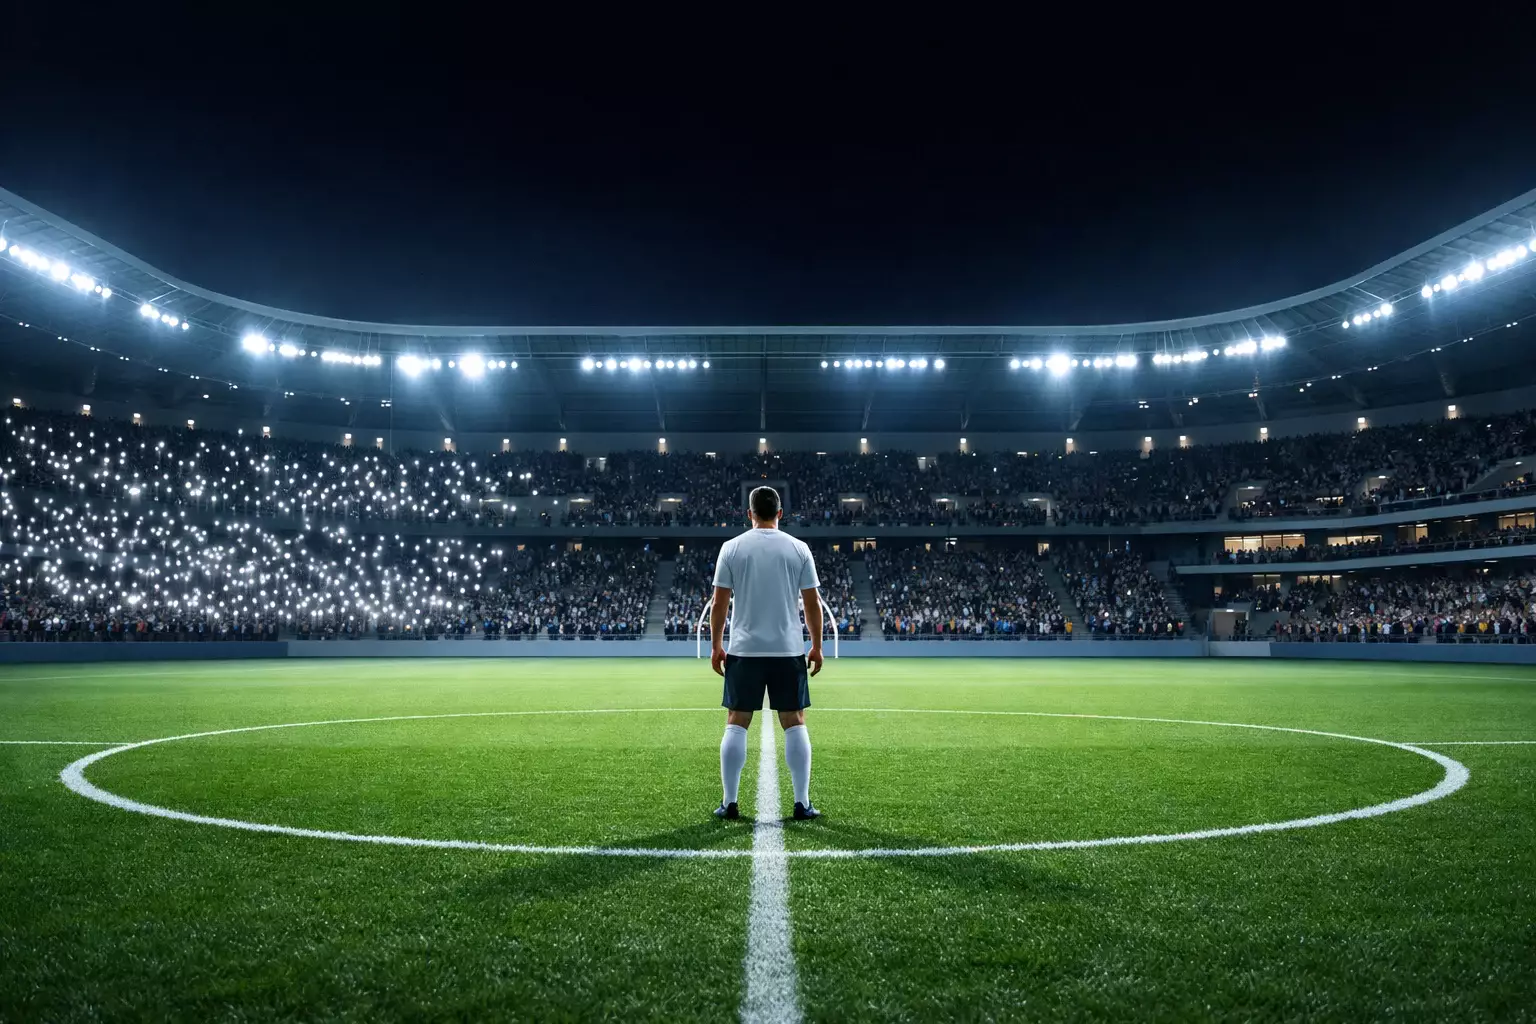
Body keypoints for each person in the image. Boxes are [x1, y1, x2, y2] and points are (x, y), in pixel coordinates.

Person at [710, 485, 824, 821]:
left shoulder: (731, 548)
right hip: (787, 650)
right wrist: (817, 646)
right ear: (780, 513)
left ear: (749, 513)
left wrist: (716, 646)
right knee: (794, 721)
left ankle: (730, 802)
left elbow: (719, 603)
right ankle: (802, 803)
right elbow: (812, 603)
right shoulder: (798, 549)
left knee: (737, 721)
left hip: (744, 650)